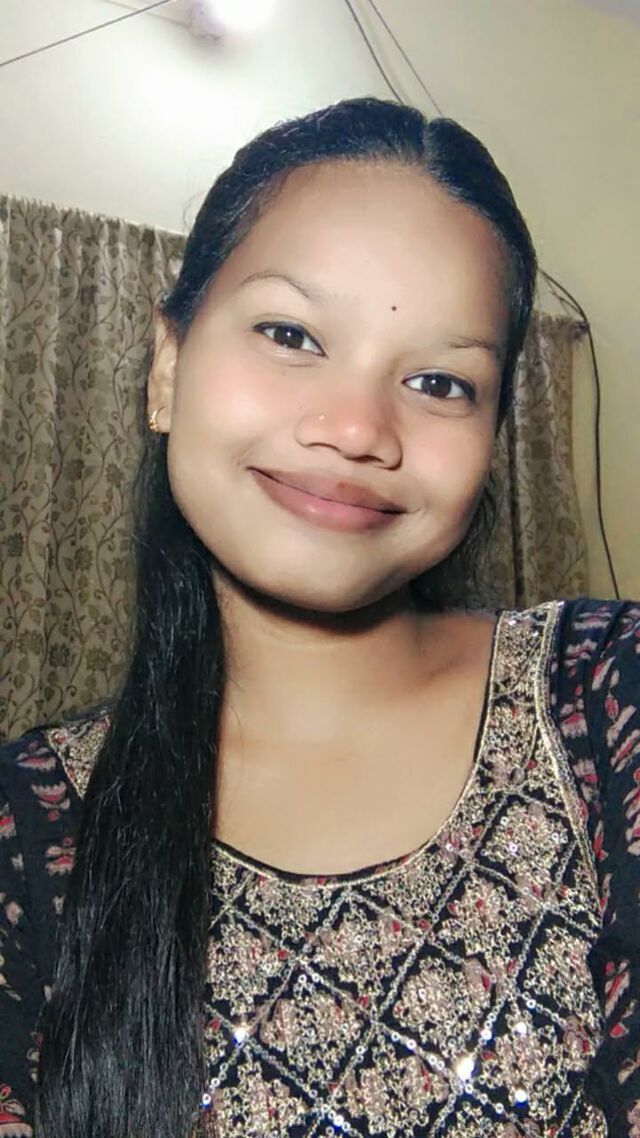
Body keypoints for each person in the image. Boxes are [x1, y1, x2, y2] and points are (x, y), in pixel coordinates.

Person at [0, 96, 638, 1138]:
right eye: (290, 334)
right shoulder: (30, 828)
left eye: (439, 381)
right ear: (167, 366)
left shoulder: (608, 700)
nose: (355, 428)